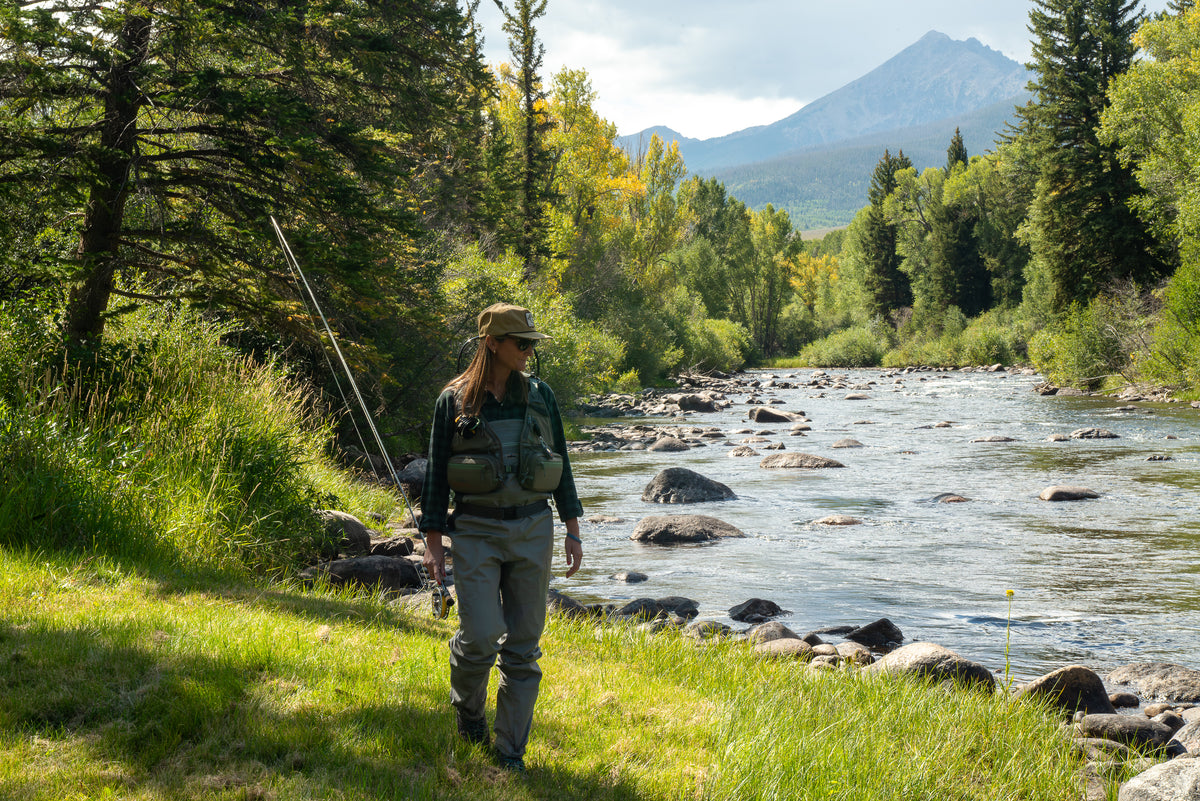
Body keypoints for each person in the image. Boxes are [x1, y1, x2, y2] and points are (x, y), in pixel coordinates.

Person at [420, 302, 583, 773]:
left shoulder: (541, 395)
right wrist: (434, 544)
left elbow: (561, 461)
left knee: (524, 645)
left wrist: (572, 530)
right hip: (475, 530)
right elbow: (436, 477)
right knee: (480, 636)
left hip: (534, 528)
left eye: (532, 343)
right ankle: (469, 713)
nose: (529, 351)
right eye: (521, 343)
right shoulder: (453, 401)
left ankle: (510, 752)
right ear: (492, 343)